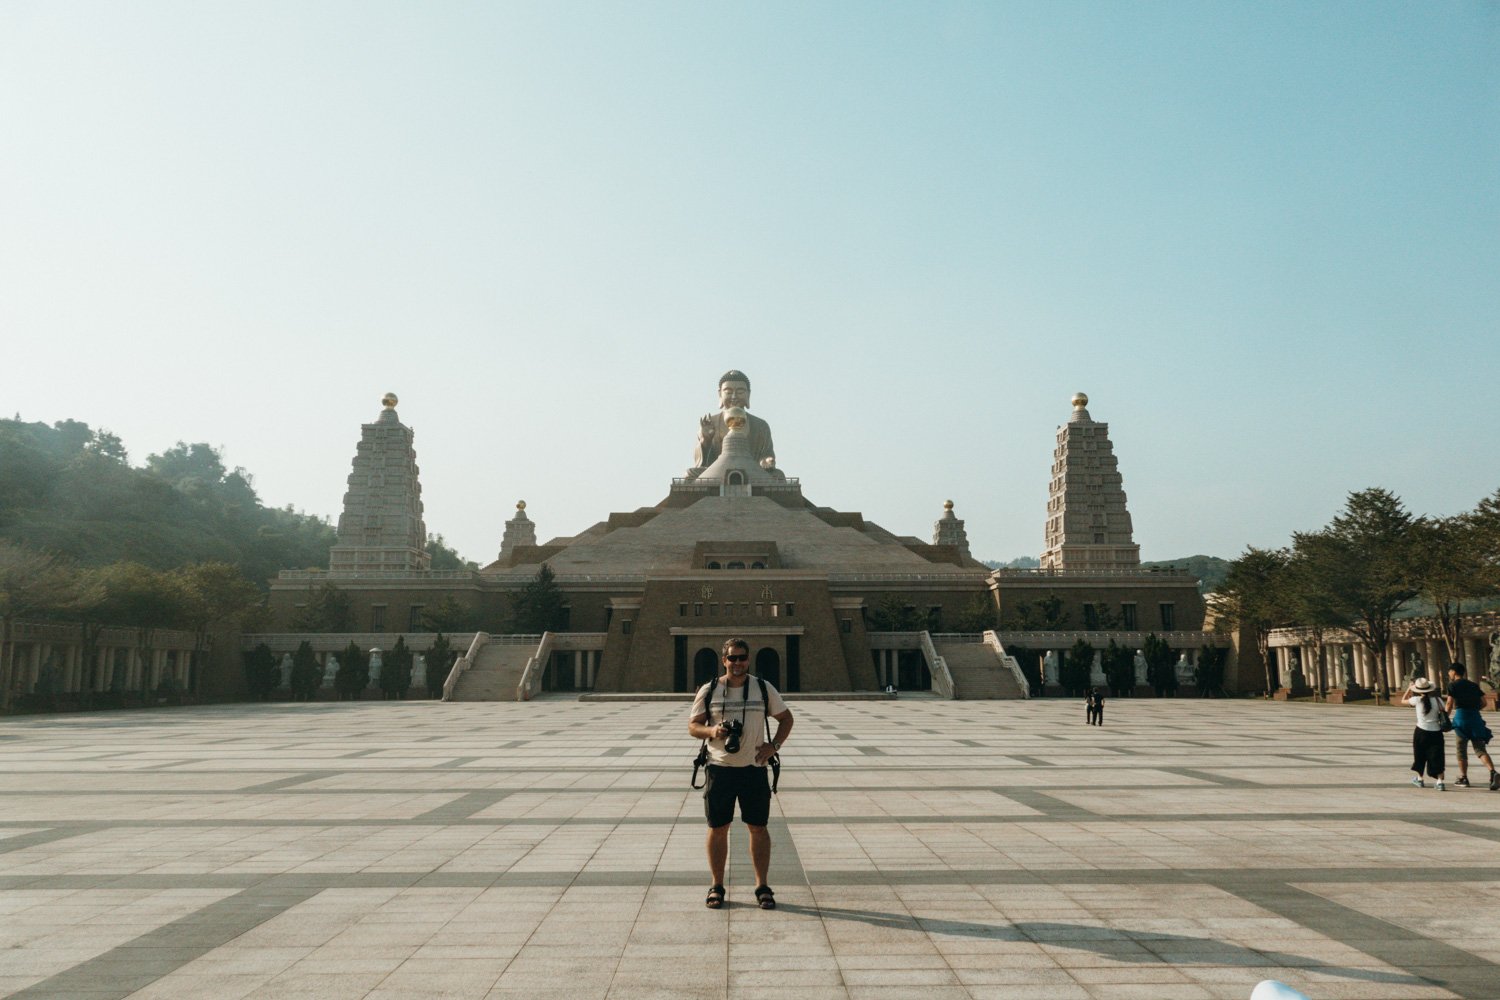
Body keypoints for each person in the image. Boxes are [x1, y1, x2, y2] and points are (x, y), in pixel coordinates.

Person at [688, 637, 794, 909]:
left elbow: (786, 718)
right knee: (717, 828)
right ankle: (717, 885)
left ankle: (762, 885)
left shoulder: (762, 687)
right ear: (723, 660)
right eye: (732, 658)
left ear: (749, 659)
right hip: (719, 769)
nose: (737, 663)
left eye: (742, 657)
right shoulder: (710, 690)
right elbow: (693, 726)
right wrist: (712, 731)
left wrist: (774, 746)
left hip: (754, 769)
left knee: (758, 828)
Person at [691, 370, 777, 473]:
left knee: (778, 475)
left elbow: (767, 454)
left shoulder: (760, 425)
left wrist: (766, 461)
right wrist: (706, 440)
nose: (734, 397)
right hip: (717, 473)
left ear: (748, 394)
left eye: (740, 392)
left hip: (753, 472)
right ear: (720, 394)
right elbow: (702, 463)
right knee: (690, 474)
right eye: (728, 392)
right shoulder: (710, 423)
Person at [1445, 662, 1498, 790]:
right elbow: (1484, 702)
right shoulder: (1473, 685)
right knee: (1480, 749)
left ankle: (1463, 777)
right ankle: (1493, 772)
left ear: (1453, 672)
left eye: (1449, 672)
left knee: (1461, 749)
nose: (1449, 674)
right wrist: (1474, 709)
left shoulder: (1452, 685)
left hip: (1461, 719)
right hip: (1475, 718)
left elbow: (1449, 704)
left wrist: (1444, 717)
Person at [1403, 677, 1446, 790]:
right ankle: (1440, 781)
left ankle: (1420, 779)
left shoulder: (1416, 700)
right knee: (1438, 755)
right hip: (1436, 731)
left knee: (1420, 754)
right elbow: (1444, 711)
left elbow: (1403, 700)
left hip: (1421, 731)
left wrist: (1408, 689)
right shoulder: (1438, 700)